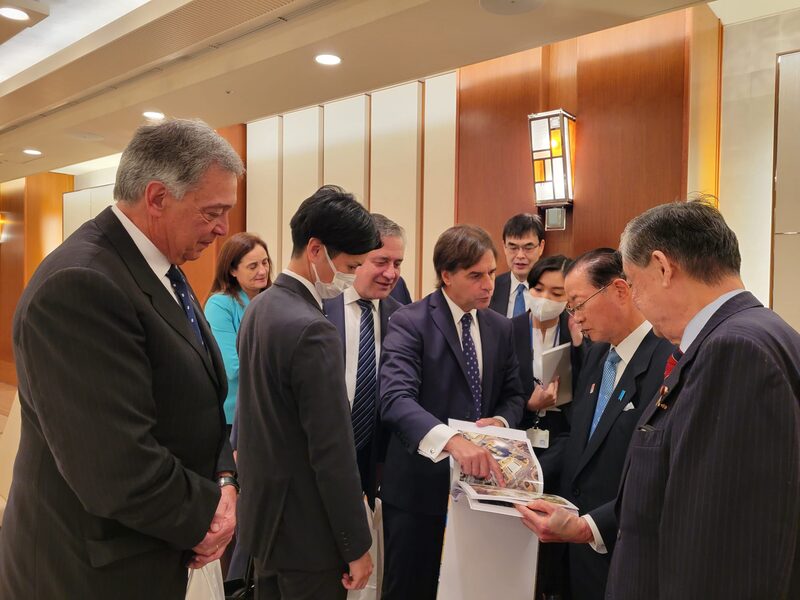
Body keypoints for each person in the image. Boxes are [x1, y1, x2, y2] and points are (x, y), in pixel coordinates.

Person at [0, 118, 243, 599]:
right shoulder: (81, 285)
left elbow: (200, 395)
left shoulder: (163, 268)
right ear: (157, 198)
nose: (222, 230)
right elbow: (116, 466)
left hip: (140, 550)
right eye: (213, 211)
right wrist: (207, 516)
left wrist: (224, 480)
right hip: (86, 570)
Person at [607, 200, 799, 598]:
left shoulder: (732, 351)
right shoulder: (760, 333)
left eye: (633, 282)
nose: (637, 304)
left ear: (662, 267)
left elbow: (717, 542)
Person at [236, 185, 380, 600]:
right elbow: (331, 449)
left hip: (266, 525)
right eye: (351, 264)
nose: (352, 276)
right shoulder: (313, 328)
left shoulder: (261, 307)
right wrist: (357, 544)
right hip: (309, 534)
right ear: (315, 249)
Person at [517, 248, 674, 600]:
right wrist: (527, 473)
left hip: (624, 546)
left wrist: (590, 526)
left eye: (577, 303)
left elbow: (661, 469)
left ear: (619, 291)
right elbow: (578, 439)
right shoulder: (598, 354)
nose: (574, 318)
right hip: (573, 547)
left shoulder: (667, 360)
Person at [379, 224, 526, 600]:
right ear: (446, 275)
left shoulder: (500, 327)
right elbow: (395, 399)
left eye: (491, 273)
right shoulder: (410, 322)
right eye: (475, 275)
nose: (488, 285)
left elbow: (513, 394)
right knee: (412, 588)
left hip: (482, 488)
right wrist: (453, 441)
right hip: (418, 488)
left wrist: (501, 422)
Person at [323, 214, 405, 506]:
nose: (391, 273)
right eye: (381, 262)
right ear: (358, 257)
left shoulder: (402, 317)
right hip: (320, 454)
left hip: (373, 458)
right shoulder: (319, 306)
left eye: (397, 264)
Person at [511, 255, 583, 465]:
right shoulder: (508, 330)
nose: (544, 298)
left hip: (561, 438)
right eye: (539, 289)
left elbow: (586, 387)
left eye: (556, 293)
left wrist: (580, 346)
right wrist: (528, 404)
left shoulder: (577, 333)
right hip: (517, 433)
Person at [205, 232, 273, 431]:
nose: (262, 271)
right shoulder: (220, 304)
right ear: (233, 270)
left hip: (270, 411)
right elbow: (234, 368)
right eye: (253, 266)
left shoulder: (273, 301)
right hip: (234, 416)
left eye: (265, 262)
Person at [489, 213, 546, 317]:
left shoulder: (552, 291)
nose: (520, 255)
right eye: (513, 247)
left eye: (528, 247)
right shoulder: (491, 288)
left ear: (541, 247)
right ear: (504, 247)